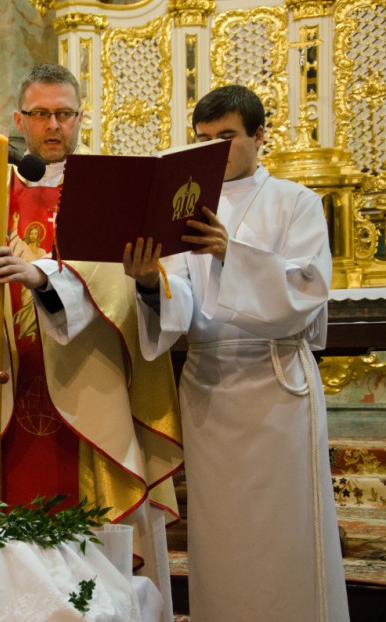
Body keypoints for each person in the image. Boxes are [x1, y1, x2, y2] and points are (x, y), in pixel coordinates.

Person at [0, 64, 183, 618]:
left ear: (79, 116)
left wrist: (45, 280)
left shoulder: (103, 184)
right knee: (6, 538)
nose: (54, 125)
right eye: (41, 113)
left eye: (64, 113)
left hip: (86, 382)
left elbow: (119, 274)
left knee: (91, 549)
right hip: (2, 388)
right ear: (20, 119)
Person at [123, 84, 349, 621]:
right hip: (209, 388)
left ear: (258, 136)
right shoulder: (185, 205)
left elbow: (308, 289)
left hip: (276, 384)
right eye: (203, 139)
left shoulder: (295, 202)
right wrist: (151, 282)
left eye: (227, 137)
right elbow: (178, 302)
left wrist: (233, 253)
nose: (214, 150)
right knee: (221, 534)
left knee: (284, 529)